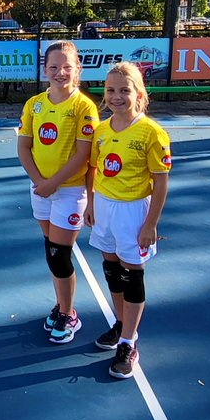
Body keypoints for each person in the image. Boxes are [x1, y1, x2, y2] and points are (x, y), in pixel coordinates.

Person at [85, 62, 172, 379]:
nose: (117, 96)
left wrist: (150, 224)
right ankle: (121, 324)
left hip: (134, 211)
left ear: (139, 93)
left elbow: (160, 182)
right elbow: (93, 169)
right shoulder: (102, 130)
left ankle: (128, 342)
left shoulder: (152, 132)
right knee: (111, 267)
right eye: (111, 90)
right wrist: (91, 203)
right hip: (105, 208)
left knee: (132, 272)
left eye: (125, 90)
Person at [17, 41, 97, 343]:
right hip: (40, 188)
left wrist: (53, 183)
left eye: (67, 67)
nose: (60, 72)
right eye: (54, 67)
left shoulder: (84, 107)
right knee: (51, 251)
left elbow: (82, 155)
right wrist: (39, 180)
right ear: (45, 69)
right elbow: (24, 146)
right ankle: (62, 304)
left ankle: (69, 314)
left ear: (78, 69)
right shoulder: (34, 104)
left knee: (59, 254)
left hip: (70, 191)